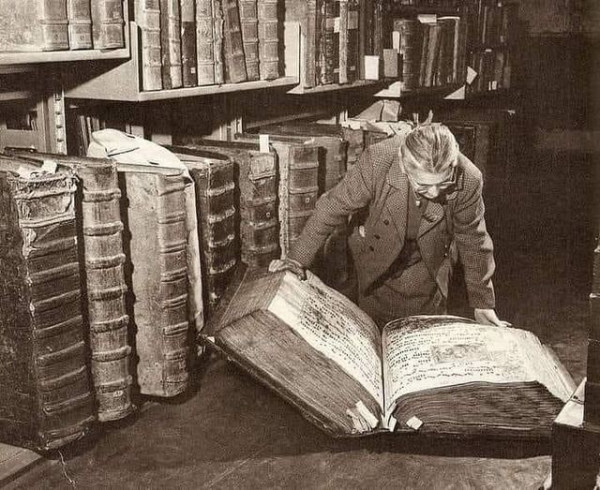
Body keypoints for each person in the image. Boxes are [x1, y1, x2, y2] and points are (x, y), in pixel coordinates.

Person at [270, 122, 510, 329]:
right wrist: (295, 260)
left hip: (427, 265)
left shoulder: (469, 178)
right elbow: (331, 208)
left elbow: (474, 240)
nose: (435, 193)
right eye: (424, 186)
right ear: (404, 168)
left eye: (443, 183)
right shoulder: (378, 160)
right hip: (375, 263)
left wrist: (482, 303)